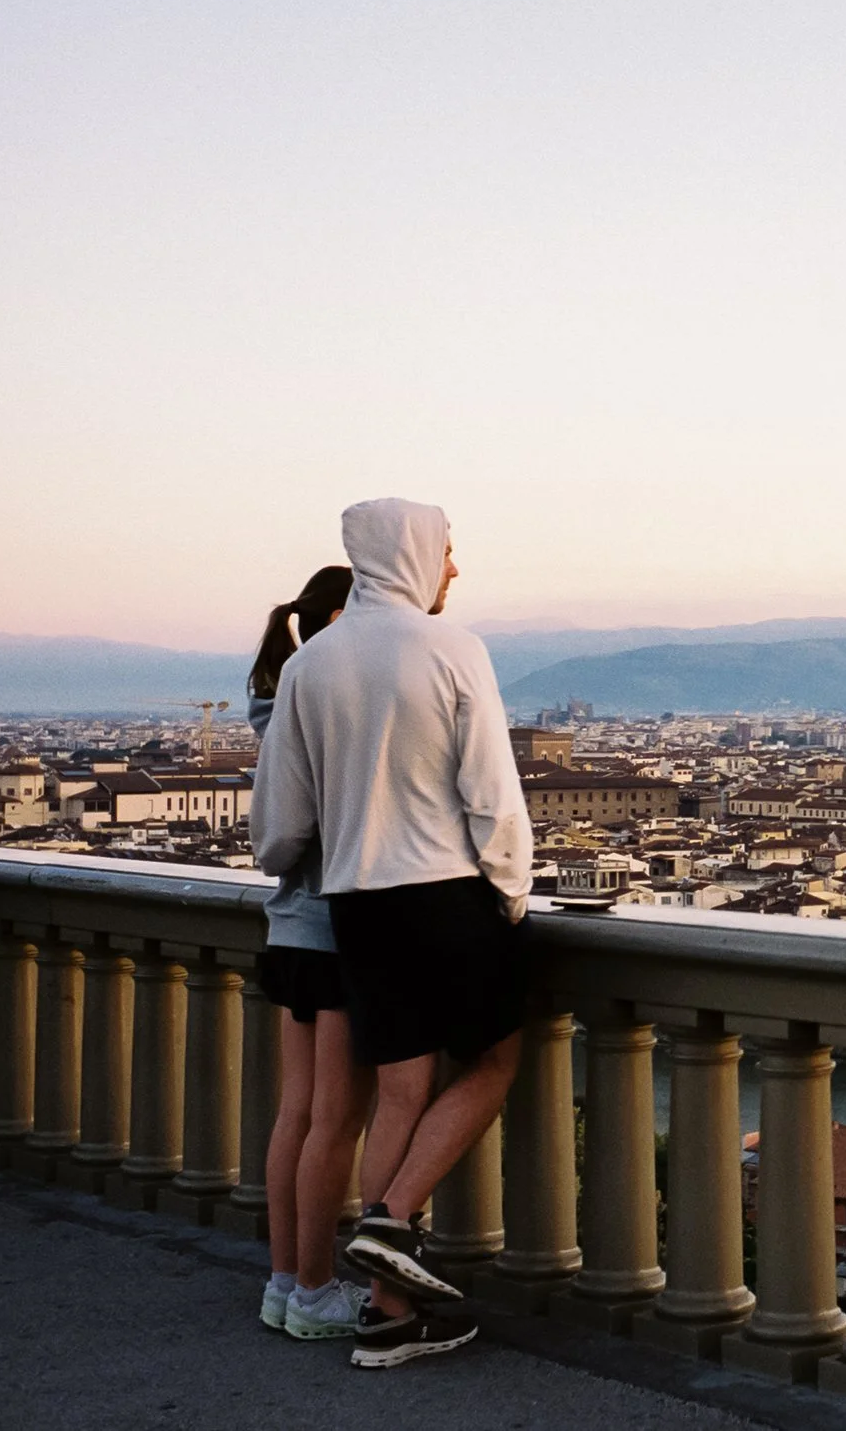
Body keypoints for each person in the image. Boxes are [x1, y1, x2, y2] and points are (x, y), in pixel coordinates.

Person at [253, 499, 536, 1370]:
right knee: (492, 1062)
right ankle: (389, 1219)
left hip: (354, 908)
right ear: (415, 554)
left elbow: (279, 831)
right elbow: (492, 791)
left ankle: (388, 1316)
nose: (454, 569)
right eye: (447, 553)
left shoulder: (312, 666)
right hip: (444, 894)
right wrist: (513, 895)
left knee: (401, 1094)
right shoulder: (453, 650)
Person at [245, 564, 375, 1341]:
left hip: (286, 931)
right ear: (335, 620)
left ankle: (285, 1282)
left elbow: (278, 837)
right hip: (337, 933)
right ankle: (321, 1290)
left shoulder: (277, 710)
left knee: (296, 1116)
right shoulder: (330, 712)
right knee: (336, 1122)